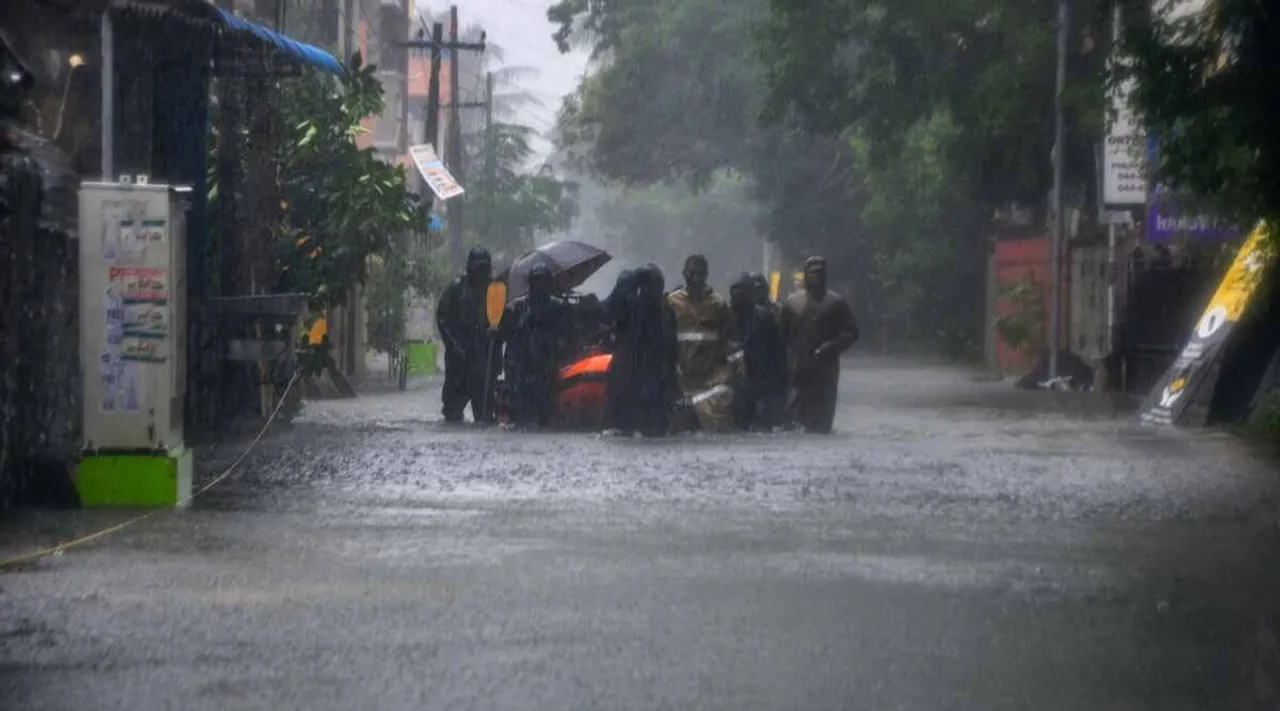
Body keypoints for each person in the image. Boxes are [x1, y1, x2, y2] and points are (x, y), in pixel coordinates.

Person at [779, 256, 859, 434]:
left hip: (825, 370)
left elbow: (851, 332)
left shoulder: (836, 303)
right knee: (795, 420)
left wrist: (831, 346)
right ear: (806, 275)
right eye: (812, 273)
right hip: (798, 369)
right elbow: (782, 335)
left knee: (822, 421)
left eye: (820, 273)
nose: (816, 277)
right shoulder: (792, 304)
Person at [498, 264, 575, 430]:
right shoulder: (517, 307)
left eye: (543, 282)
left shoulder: (558, 307)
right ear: (531, 283)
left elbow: (568, 335)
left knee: (546, 416)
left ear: (549, 283)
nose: (540, 286)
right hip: (522, 369)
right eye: (537, 282)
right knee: (521, 417)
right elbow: (505, 335)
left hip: (546, 367)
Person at [668, 255, 739, 433]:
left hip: (710, 378)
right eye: (691, 273)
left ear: (706, 275)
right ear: (684, 274)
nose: (695, 278)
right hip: (680, 377)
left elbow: (730, 340)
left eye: (699, 274)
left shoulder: (718, 303)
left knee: (715, 429)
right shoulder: (672, 302)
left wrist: (734, 369)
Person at [606, 264, 679, 437]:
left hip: (654, 379)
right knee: (624, 428)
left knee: (654, 429)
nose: (649, 290)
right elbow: (611, 309)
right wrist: (631, 281)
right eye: (645, 285)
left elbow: (672, 349)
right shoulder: (630, 308)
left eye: (653, 285)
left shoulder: (666, 312)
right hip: (629, 379)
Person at [436, 247, 497, 423]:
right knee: (452, 411)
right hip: (460, 361)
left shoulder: (494, 292)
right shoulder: (456, 289)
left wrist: (497, 330)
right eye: (479, 268)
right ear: (470, 267)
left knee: (484, 414)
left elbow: (504, 318)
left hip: (484, 360)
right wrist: (454, 346)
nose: (482, 273)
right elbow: (442, 320)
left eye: (485, 268)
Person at [746, 272, 788, 430]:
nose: (759, 292)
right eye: (755, 289)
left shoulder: (778, 310)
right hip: (753, 369)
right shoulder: (745, 312)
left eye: (761, 288)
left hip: (774, 367)